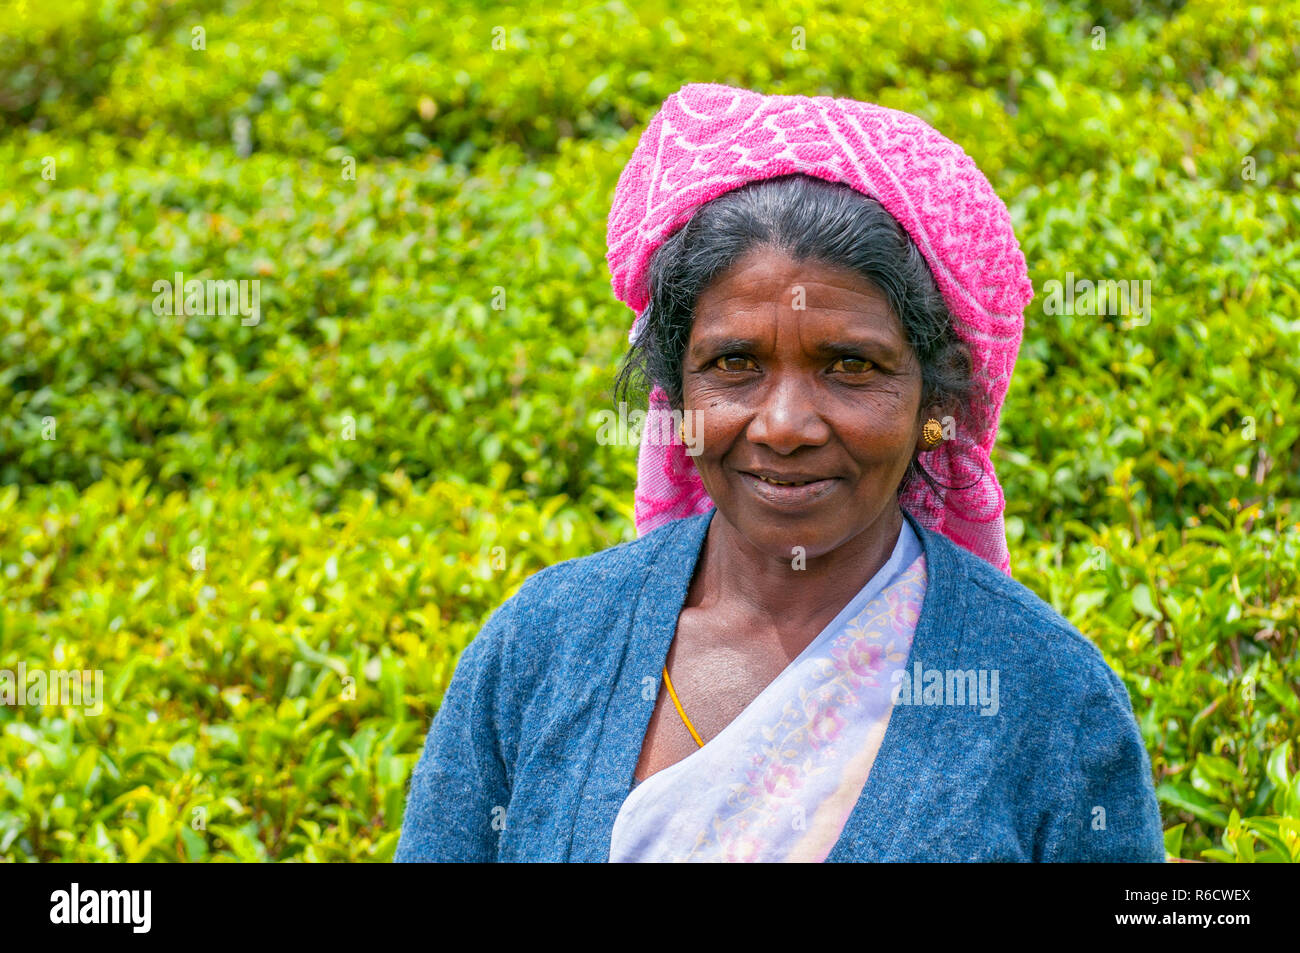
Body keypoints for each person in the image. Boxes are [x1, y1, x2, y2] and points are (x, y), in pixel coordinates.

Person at [394, 83, 1166, 862]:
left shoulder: (1053, 698)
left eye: (851, 365)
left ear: (935, 395)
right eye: (735, 363)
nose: (785, 426)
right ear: (678, 388)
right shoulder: (545, 642)